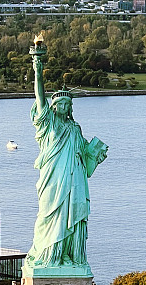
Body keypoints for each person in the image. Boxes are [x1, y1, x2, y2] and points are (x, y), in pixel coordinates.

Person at [25, 41, 107, 270]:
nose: (63, 107)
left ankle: (70, 257)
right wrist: (38, 70)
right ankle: (50, 255)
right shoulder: (48, 124)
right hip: (53, 179)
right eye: (59, 104)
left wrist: (95, 155)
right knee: (48, 215)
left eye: (67, 104)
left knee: (75, 215)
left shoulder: (75, 129)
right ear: (53, 107)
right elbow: (40, 97)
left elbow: (84, 159)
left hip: (75, 180)